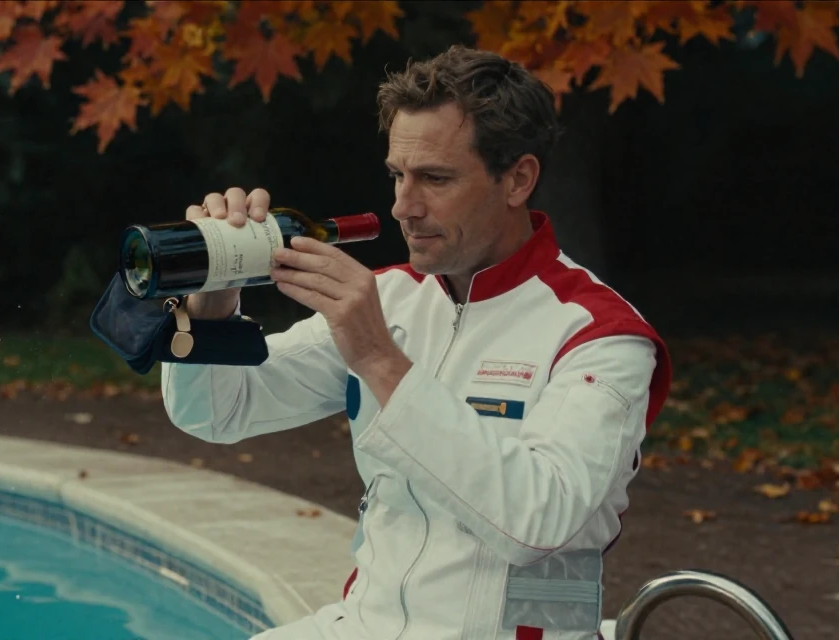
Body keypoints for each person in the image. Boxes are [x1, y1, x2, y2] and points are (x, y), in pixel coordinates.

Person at [161, 44, 672, 640]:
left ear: (518, 179)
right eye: (397, 176)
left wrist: (379, 359)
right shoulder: (393, 297)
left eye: (435, 178)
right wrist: (217, 298)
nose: (404, 206)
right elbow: (217, 412)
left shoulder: (601, 333)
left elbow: (537, 521)